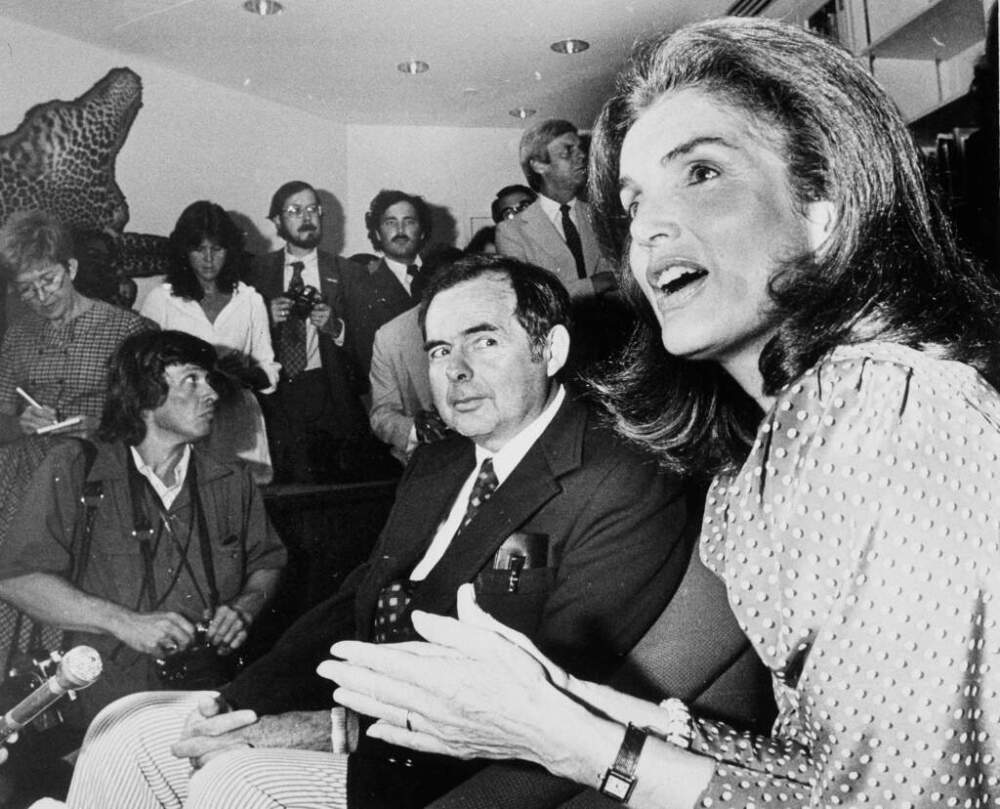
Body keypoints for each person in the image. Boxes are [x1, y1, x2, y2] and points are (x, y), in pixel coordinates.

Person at [321, 16, 1000, 809]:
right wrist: (555, 706)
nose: (649, 229)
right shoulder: (763, 460)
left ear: (823, 207)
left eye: (702, 173)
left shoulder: (877, 405)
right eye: (634, 203)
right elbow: (814, 772)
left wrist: (567, 738)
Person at [60, 254, 709, 809]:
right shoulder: (441, 459)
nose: (454, 372)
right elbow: (361, 599)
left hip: (460, 763)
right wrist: (243, 702)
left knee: (236, 783)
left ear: (552, 349)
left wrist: (327, 728)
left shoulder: (619, 481)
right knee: (132, 744)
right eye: (437, 349)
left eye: (483, 341)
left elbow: (545, 687)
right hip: (361, 714)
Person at [0, 330, 286, 732]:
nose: (212, 394)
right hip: (108, 708)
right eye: (192, 379)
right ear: (146, 392)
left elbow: (267, 562)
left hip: (210, 703)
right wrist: (124, 623)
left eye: (209, 380)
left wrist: (245, 609)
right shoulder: (77, 468)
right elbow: (16, 579)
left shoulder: (231, 481)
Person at [0, 210, 153, 666]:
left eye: (48, 280)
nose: (40, 296)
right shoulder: (18, 335)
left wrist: (102, 425)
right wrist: (18, 423)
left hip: (96, 478)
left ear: (71, 268)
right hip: (20, 477)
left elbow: (153, 416)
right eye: (26, 288)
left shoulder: (127, 330)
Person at [141, 201, 279, 483]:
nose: (208, 259)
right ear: (184, 251)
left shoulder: (249, 300)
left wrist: (246, 372)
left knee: (241, 503)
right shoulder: (162, 300)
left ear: (230, 251)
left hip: (238, 421)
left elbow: (270, 370)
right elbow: (144, 368)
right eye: (198, 249)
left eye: (216, 249)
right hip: (181, 421)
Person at [247, 180, 370, 484]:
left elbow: (369, 347)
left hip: (330, 396)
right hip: (276, 398)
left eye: (313, 209)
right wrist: (265, 320)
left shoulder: (348, 272)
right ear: (276, 221)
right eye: (295, 210)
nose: (306, 217)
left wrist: (337, 328)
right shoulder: (255, 272)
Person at [495, 119, 616, 299]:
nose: (582, 156)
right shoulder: (511, 231)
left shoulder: (598, 215)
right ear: (539, 165)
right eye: (568, 151)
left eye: (580, 148)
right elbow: (528, 296)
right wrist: (592, 285)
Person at [339, 189, 434, 386]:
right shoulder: (361, 287)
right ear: (377, 233)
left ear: (422, 231)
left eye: (409, 221)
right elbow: (364, 362)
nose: (400, 230)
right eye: (390, 222)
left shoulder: (442, 280)